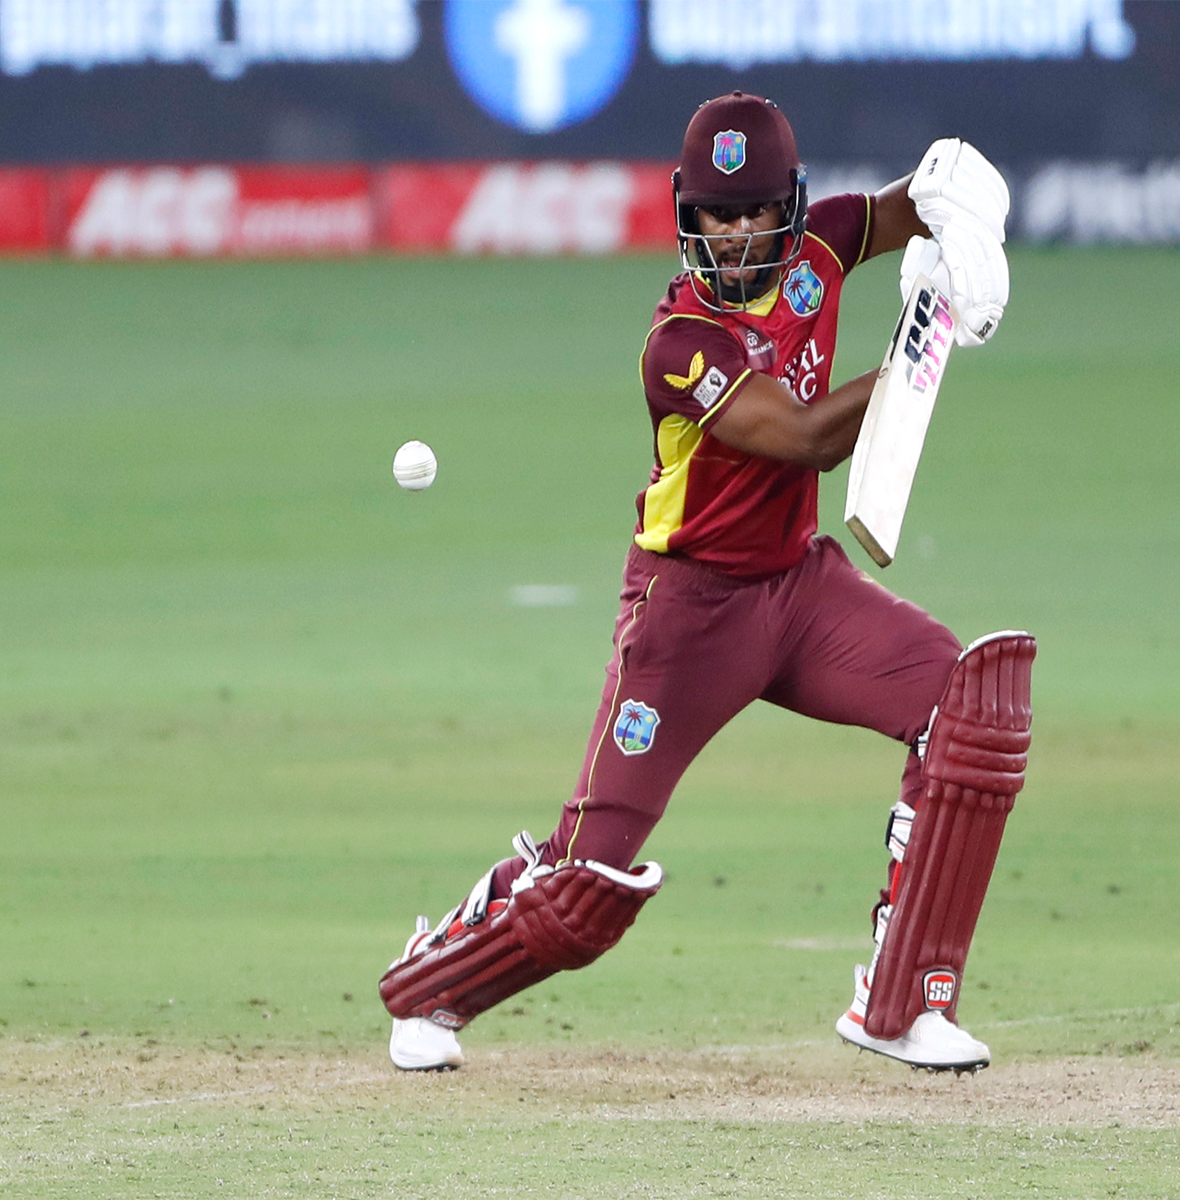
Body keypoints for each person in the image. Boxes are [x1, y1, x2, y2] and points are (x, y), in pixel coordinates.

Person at [379, 92, 1034, 1074]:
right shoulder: (679, 344)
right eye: (716, 217)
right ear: (688, 217)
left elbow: (913, 204)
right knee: (586, 885)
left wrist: (959, 200)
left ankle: (901, 1003)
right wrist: (927, 331)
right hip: (687, 617)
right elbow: (804, 442)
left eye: (755, 213)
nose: (735, 236)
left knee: (968, 704)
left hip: (800, 594)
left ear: (790, 207)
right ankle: (430, 987)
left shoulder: (819, 248)